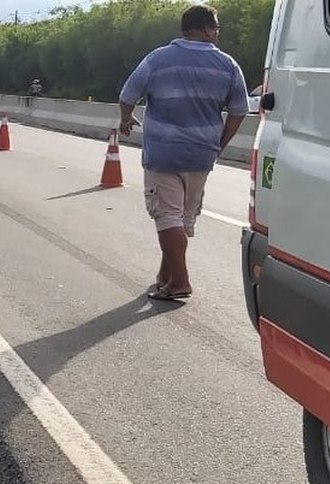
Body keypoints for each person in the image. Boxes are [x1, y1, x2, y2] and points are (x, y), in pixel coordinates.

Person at [118, 4, 248, 301]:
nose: (216, 33)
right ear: (204, 29)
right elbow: (240, 111)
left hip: (164, 154)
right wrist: (219, 144)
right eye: (215, 28)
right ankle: (164, 277)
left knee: (167, 217)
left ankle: (180, 282)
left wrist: (126, 119)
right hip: (202, 155)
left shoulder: (158, 59)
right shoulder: (228, 65)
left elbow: (128, 95)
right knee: (181, 219)